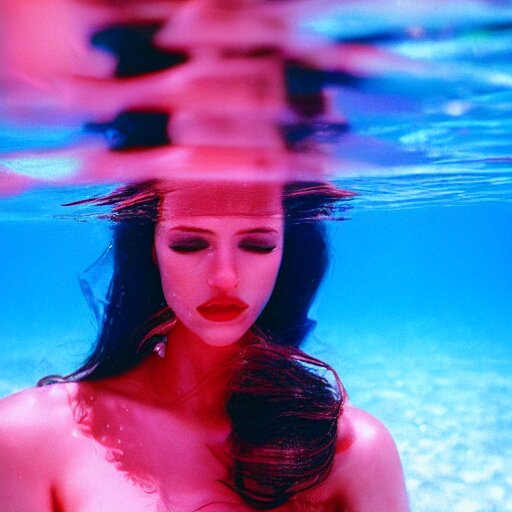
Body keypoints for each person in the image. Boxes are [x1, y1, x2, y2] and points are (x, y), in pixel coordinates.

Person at [0, 177, 409, 511]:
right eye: (189, 244)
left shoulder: (353, 451)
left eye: (257, 244)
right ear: (151, 251)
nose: (225, 277)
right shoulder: (27, 435)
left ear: (288, 254)